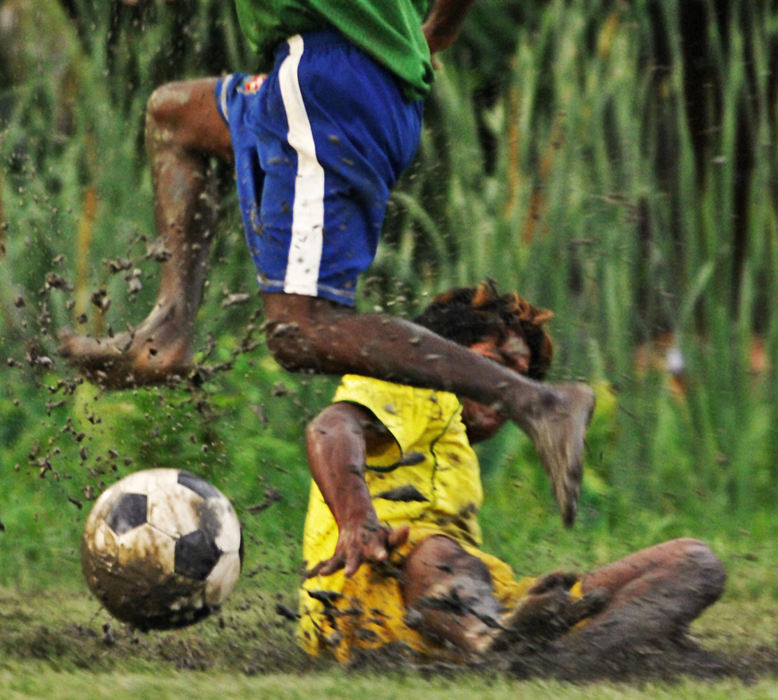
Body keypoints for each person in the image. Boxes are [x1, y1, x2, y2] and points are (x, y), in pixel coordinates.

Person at [59, 1, 595, 527]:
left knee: (301, 330)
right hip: (335, 82)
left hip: (326, 84)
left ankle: (537, 402)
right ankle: (167, 329)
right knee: (175, 115)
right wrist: (435, 30)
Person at [299, 283, 726, 665]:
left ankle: (563, 659)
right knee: (433, 552)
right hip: (362, 597)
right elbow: (330, 427)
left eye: (519, 379)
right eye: (496, 365)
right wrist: (357, 520)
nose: (502, 387)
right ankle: (494, 643)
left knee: (694, 562)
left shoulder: (448, 441)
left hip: (473, 606)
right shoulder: (411, 384)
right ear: (441, 353)